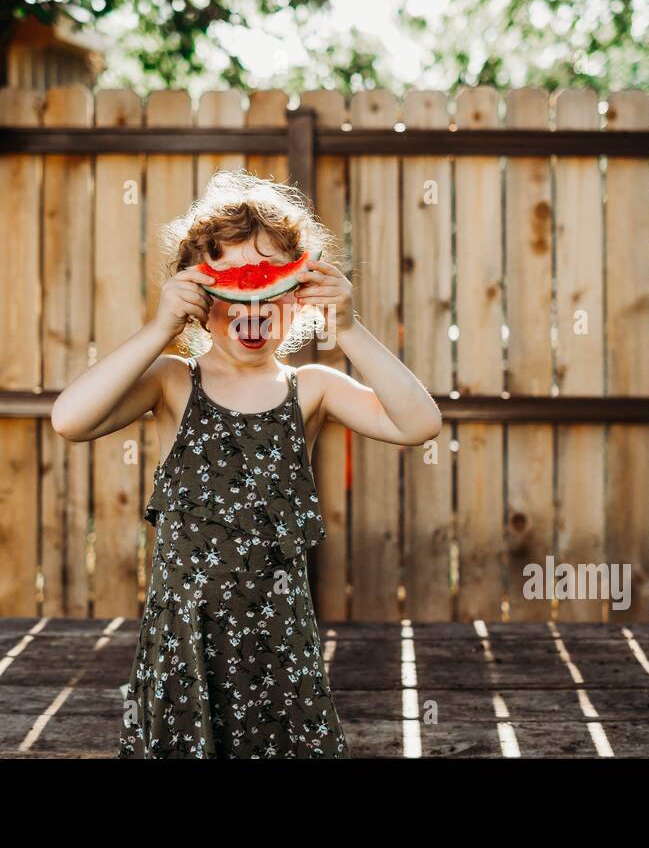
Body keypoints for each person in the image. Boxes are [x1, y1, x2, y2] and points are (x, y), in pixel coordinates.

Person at [51, 170, 442, 758]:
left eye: (270, 288)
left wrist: (350, 329)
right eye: (231, 286)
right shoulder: (172, 383)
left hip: (278, 639)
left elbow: (419, 423)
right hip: (184, 638)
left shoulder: (311, 388)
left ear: (301, 296)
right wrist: (159, 328)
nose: (251, 303)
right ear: (199, 298)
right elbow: (70, 419)